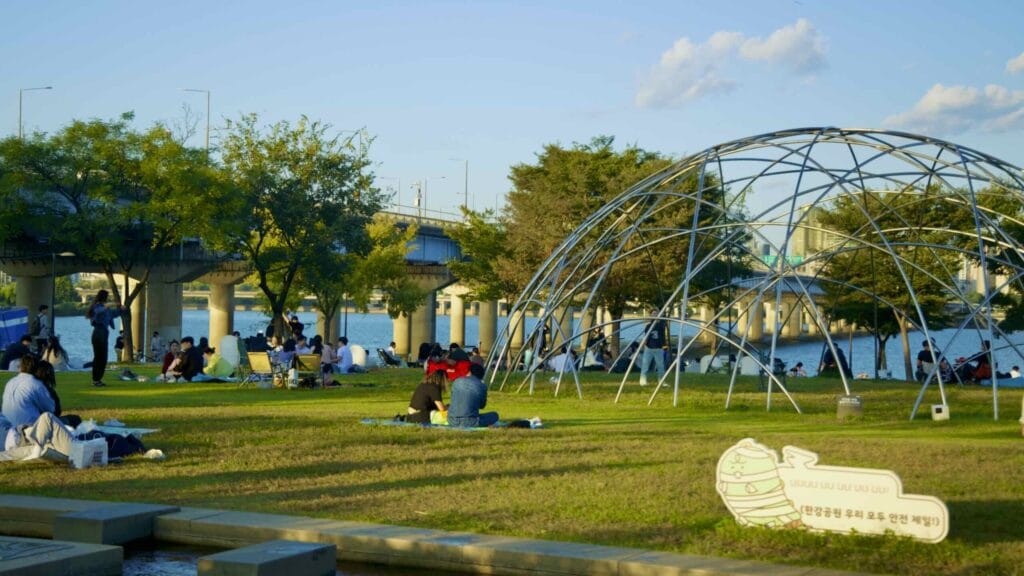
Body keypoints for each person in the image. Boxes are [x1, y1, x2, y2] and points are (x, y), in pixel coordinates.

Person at [2, 356, 55, 427]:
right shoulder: (36, 384)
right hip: (28, 429)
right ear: (36, 368)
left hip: (6, 427)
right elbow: (50, 409)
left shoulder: (10, 381)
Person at [86, 289, 120, 387]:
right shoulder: (97, 306)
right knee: (99, 357)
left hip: (104, 332)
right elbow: (98, 312)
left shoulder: (106, 308)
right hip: (98, 332)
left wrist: (121, 309)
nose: (108, 298)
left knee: (103, 358)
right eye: (107, 296)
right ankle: (95, 380)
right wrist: (109, 304)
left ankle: (98, 379)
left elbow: (113, 314)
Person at [448, 363, 498, 428]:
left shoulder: (457, 381)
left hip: (451, 420)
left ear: (469, 371)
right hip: (471, 422)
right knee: (494, 415)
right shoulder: (482, 386)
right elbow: (482, 406)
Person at [639, 314, 668, 386]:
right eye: (653, 314)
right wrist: (643, 345)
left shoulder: (661, 325)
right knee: (645, 365)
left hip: (658, 348)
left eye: (656, 314)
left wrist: (665, 346)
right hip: (649, 348)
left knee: (660, 366)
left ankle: (661, 381)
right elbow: (646, 337)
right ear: (651, 316)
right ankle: (643, 381)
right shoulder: (648, 326)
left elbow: (663, 336)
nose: (654, 315)